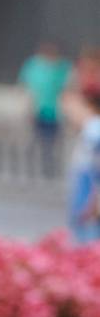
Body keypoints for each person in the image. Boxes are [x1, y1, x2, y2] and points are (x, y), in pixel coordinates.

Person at [18, 41, 72, 172]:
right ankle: (31, 166)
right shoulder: (33, 66)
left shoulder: (63, 67)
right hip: (37, 110)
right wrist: (28, 108)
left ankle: (50, 165)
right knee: (34, 139)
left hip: (56, 111)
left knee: (53, 141)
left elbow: (68, 87)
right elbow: (26, 89)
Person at [67, 84, 100, 245]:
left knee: (87, 225)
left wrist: (95, 198)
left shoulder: (94, 128)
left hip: (90, 183)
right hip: (87, 179)